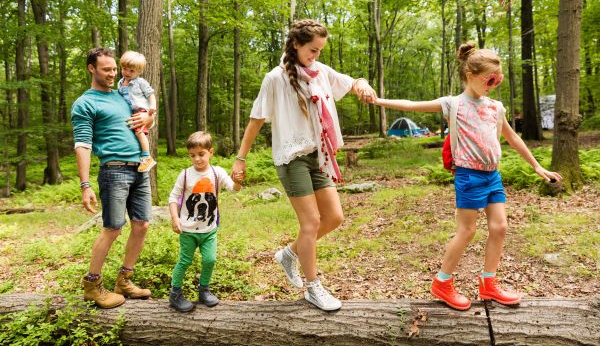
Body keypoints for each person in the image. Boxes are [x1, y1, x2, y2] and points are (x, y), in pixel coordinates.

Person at [372, 41, 562, 310]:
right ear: (470, 75)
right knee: (467, 230)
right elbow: (412, 105)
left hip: (492, 175)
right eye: (489, 79)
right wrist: (379, 100)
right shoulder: (453, 104)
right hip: (469, 175)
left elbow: (512, 137)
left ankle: (488, 284)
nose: (493, 84)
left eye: (498, 80)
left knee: (500, 227)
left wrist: (536, 166)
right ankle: (442, 282)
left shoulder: (496, 107)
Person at [232, 19, 377, 311]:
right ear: (296, 44)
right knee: (310, 223)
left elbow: (351, 83)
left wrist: (363, 85)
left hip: (319, 155)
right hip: (292, 157)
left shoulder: (320, 72)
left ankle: (289, 253)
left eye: (320, 51)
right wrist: (240, 158)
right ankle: (313, 288)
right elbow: (256, 119)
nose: (316, 56)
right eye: (312, 50)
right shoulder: (275, 78)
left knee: (334, 217)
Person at [71, 47, 155, 308]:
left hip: (140, 169)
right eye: (106, 69)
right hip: (114, 170)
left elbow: (144, 116)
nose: (112, 74)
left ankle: (124, 281)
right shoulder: (85, 103)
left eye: (114, 69)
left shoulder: (122, 94)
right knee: (113, 228)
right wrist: (85, 185)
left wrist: (149, 118)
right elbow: (82, 145)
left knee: (141, 225)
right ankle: (92, 286)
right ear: (91, 69)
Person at [167, 131, 243, 312]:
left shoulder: (217, 172)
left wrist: (238, 181)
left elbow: (233, 188)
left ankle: (204, 290)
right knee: (184, 261)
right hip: (188, 230)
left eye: (201, 154)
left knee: (210, 260)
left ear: (211, 152)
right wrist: (175, 218)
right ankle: (175, 293)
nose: (197, 159)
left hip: (209, 229)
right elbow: (173, 197)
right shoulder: (185, 174)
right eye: (192, 155)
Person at [118, 51, 157, 172]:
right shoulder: (120, 83)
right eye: (125, 69)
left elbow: (150, 94)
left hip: (141, 110)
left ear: (139, 71)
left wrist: (152, 107)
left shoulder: (141, 82)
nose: (127, 73)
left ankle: (147, 157)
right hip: (130, 112)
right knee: (134, 131)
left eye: (131, 71)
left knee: (139, 132)